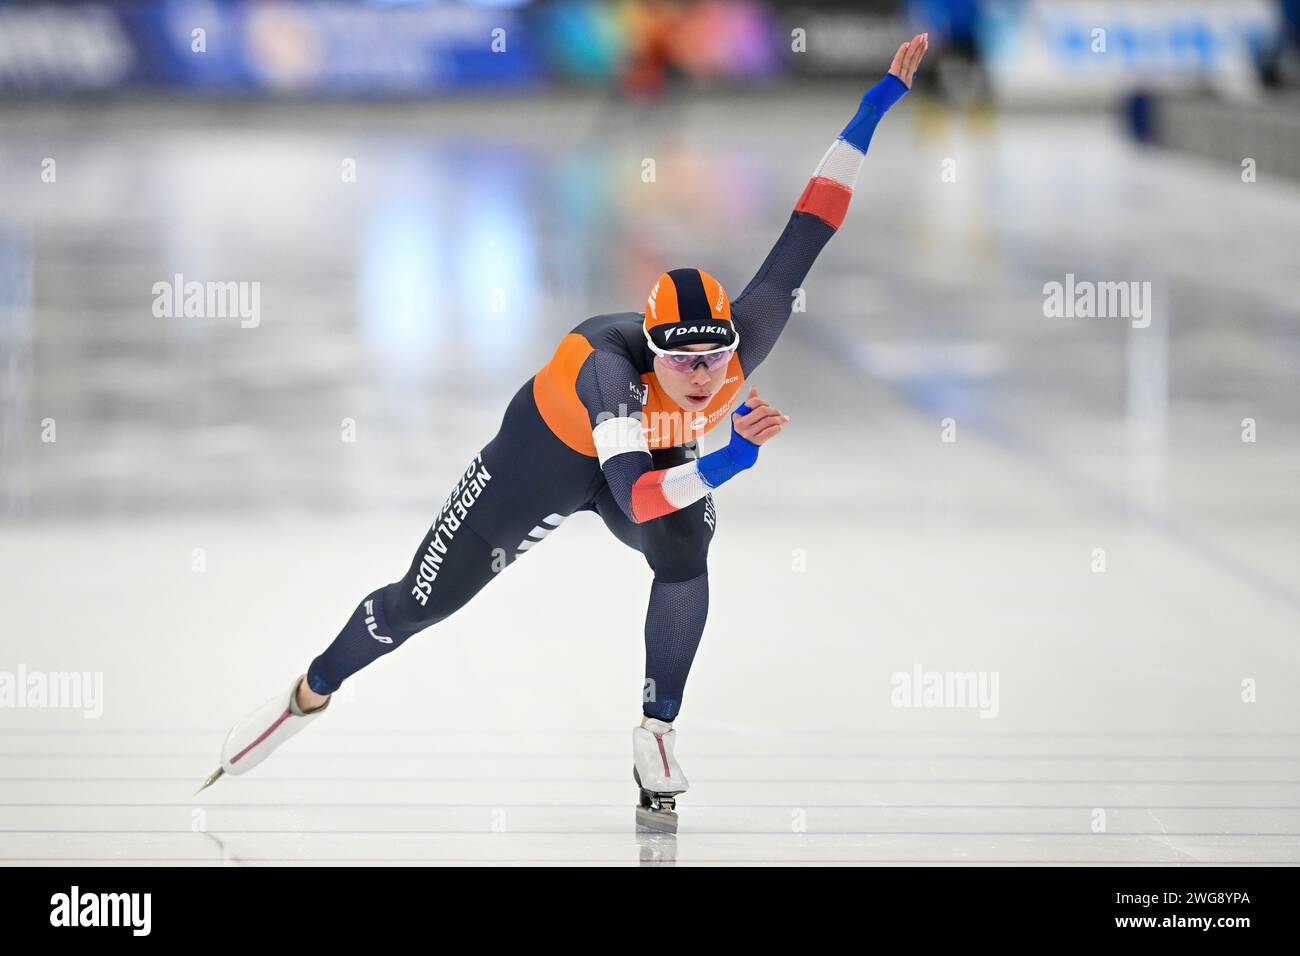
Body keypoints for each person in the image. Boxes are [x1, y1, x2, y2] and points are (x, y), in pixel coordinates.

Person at [202, 34, 930, 828]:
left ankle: (656, 732)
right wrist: (730, 457)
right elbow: (641, 498)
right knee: (418, 604)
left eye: (714, 358)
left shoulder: (745, 335)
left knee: (687, 553)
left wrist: (875, 103)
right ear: (652, 352)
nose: (702, 375)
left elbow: (812, 220)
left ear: (732, 339)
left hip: (646, 461)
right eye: (681, 362)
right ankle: (306, 694)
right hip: (547, 459)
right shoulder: (609, 371)